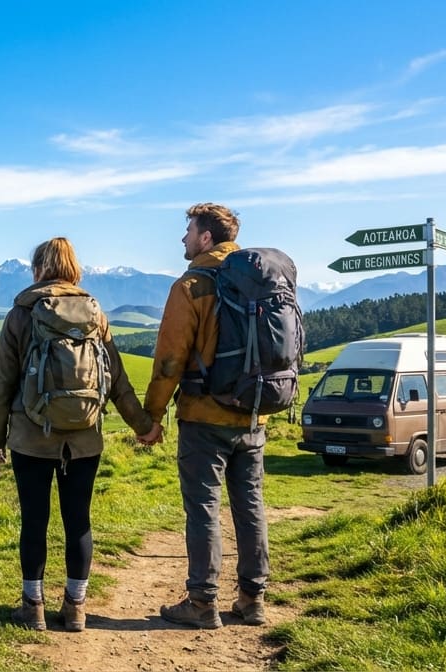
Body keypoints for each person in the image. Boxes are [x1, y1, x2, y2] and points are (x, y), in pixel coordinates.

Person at [0, 237, 153, 632]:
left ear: (38, 269)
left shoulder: (22, 314)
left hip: (32, 435)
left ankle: (34, 607)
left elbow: (2, 383)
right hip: (84, 437)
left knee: (34, 520)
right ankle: (76, 608)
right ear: (74, 267)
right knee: (78, 520)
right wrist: (144, 426)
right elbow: (116, 379)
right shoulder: (96, 314)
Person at [138, 203, 271, 629]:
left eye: (189, 231)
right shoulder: (260, 281)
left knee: (203, 509)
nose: (183, 239)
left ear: (206, 237)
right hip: (254, 414)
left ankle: (202, 601)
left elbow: (170, 359)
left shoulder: (193, 285)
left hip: (203, 416)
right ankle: (252, 600)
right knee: (250, 506)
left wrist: (151, 416)